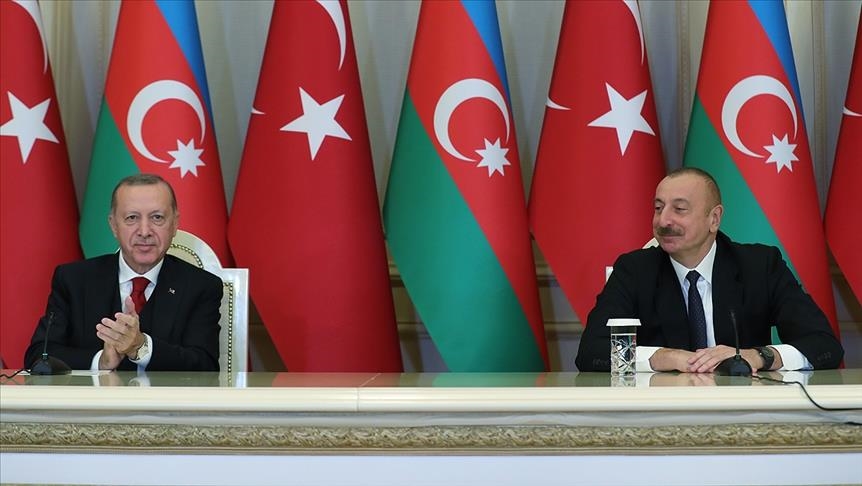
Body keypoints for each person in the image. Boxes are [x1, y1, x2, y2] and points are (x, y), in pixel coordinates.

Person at [575, 167, 843, 373]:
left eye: (679, 209)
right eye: (658, 208)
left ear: (714, 218)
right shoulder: (634, 270)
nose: (663, 220)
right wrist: (661, 357)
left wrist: (757, 356)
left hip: (746, 413)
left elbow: (823, 345)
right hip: (662, 412)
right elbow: (591, 352)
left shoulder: (760, 265)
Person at [25, 174, 222, 372]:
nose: (144, 231)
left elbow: (206, 366)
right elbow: (39, 356)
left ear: (175, 224)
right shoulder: (74, 280)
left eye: (157, 217)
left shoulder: (201, 287)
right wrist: (101, 362)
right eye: (132, 218)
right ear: (113, 225)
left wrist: (141, 347)